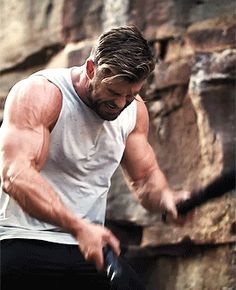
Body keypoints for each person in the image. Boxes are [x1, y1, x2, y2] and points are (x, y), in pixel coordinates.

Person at [0, 25, 190, 289]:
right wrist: (78, 226)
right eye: (113, 92)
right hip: (23, 240)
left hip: (88, 248)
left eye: (131, 95)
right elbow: (15, 176)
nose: (121, 104)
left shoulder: (134, 112)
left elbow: (145, 179)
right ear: (91, 69)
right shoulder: (42, 93)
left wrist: (166, 198)